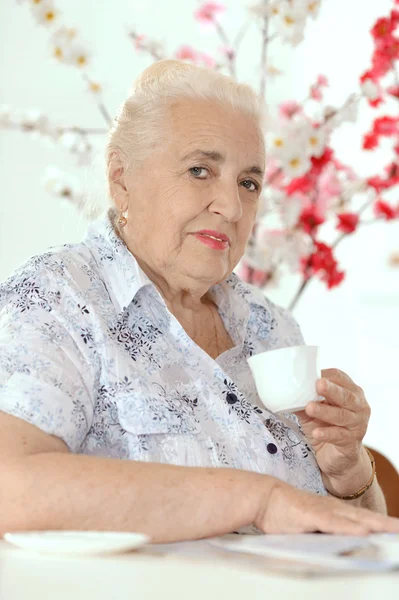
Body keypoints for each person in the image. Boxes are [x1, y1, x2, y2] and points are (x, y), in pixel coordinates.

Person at [0, 60, 398, 543]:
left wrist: (348, 476)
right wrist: (257, 498)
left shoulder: (270, 327)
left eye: (248, 183)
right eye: (199, 170)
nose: (231, 207)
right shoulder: (55, 300)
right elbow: (12, 490)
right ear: (122, 178)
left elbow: (355, 540)